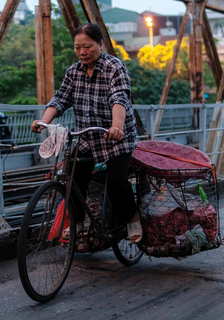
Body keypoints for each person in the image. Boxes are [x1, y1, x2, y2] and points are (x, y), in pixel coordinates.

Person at [31, 23, 142, 243]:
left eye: (88, 47)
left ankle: (132, 220)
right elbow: (61, 99)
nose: (82, 52)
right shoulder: (73, 72)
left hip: (115, 136)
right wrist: (44, 122)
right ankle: (78, 223)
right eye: (78, 47)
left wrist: (117, 127)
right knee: (73, 178)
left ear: (100, 44)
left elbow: (119, 98)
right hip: (87, 137)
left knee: (117, 181)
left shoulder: (114, 67)